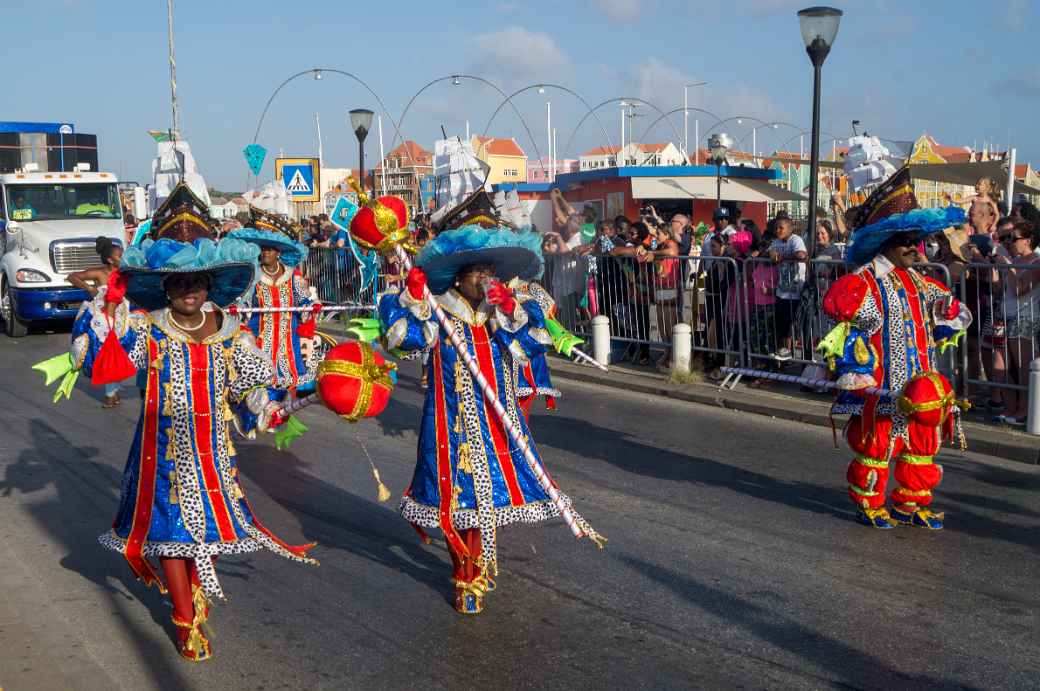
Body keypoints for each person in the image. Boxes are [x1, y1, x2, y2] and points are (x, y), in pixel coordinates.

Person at [63, 183, 316, 661]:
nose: (188, 290)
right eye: (178, 283)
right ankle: (184, 618)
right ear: (164, 286)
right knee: (172, 536)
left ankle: (194, 596)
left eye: (196, 281)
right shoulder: (147, 329)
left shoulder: (233, 335)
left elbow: (251, 395)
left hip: (215, 454)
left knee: (211, 535)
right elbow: (98, 363)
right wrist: (107, 307)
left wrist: (289, 402)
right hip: (163, 455)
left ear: (210, 284)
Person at [378, 224, 599, 615]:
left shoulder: (500, 313)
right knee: (457, 502)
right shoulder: (438, 311)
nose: (484, 279)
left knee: (491, 500)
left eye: (488, 272)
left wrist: (512, 310)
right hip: (451, 424)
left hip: (498, 419)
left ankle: (476, 569)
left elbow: (532, 347)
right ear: (458, 277)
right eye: (476, 272)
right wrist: (411, 297)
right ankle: (464, 574)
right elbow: (403, 341)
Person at [820, 181, 970, 530]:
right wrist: (857, 376)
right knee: (877, 448)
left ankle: (910, 503)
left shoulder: (920, 281)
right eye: (906, 241)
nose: (914, 248)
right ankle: (869, 503)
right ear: (885, 241)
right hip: (884, 389)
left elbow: (953, 316)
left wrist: (947, 313)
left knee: (921, 446)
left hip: (920, 388)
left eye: (917, 240)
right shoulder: (864, 282)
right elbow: (846, 331)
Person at [227, 207, 326, 399]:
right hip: (259, 340)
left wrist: (310, 306)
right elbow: (244, 301)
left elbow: (303, 299)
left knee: (287, 388)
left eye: (269, 250)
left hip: (288, 339)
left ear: (278, 253)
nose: (264, 253)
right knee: (260, 389)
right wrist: (239, 310)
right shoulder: (252, 275)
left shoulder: (293, 275)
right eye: (262, 249)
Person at [991, 219, 1040, 424]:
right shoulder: (1012, 260)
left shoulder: (1036, 262)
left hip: (1025, 318)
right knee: (1000, 364)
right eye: (1007, 238)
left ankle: (1023, 410)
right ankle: (1010, 407)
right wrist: (996, 270)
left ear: (1027, 240)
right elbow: (1000, 289)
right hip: (1004, 316)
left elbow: (1020, 289)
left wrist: (1008, 266)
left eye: (1013, 238)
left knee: (1022, 367)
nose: (1009, 242)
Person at [67, 236, 125, 408]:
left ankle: (113, 392)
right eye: (120, 256)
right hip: (102, 320)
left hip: (121, 317)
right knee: (108, 354)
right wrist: (89, 288)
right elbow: (72, 276)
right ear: (110, 260)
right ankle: (110, 394)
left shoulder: (125, 273)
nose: (124, 258)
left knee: (119, 354)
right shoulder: (100, 273)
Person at [769, 217, 808, 359]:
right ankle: (782, 354)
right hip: (781, 291)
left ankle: (789, 354)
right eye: (776, 228)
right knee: (781, 325)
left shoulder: (796, 240)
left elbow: (802, 255)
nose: (777, 230)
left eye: (781, 227)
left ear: (790, 229)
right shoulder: (776, 242)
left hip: (795, 292)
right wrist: (772, 254)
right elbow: (770, 253)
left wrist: (783, 257)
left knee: (791, 326)